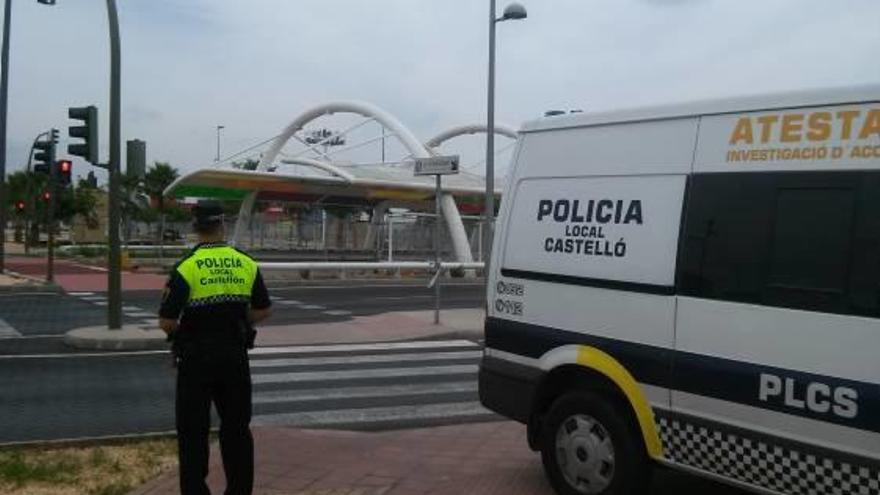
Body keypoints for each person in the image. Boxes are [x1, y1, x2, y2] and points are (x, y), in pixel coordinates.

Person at [159, 200, 272, 495]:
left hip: (195, 359)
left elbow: (166, 321)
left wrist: (186, 330)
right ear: (223, 225)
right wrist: (236, 318)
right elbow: (263, 309)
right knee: (236, 429)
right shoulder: (245, 262)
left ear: (196, 228)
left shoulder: (186, 267)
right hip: (234, 357)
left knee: (193, 433)